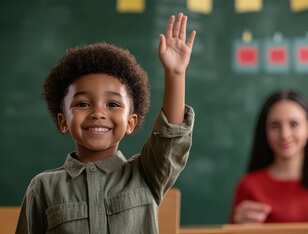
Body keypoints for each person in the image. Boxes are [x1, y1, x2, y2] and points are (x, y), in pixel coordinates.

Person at [15, 13, 196, 233]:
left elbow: (171, 136)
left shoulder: (147, 173)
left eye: (112, 104)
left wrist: (175, 74)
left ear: (130, 123)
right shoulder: (43, 188)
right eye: (82, 104)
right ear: (63, 121)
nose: (98, 112)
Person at [230, 89, 308, 223]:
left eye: (294, 124)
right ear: (265, 131)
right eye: (275, 126)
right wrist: (239, 228)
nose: (285, 135)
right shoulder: (248, 185)